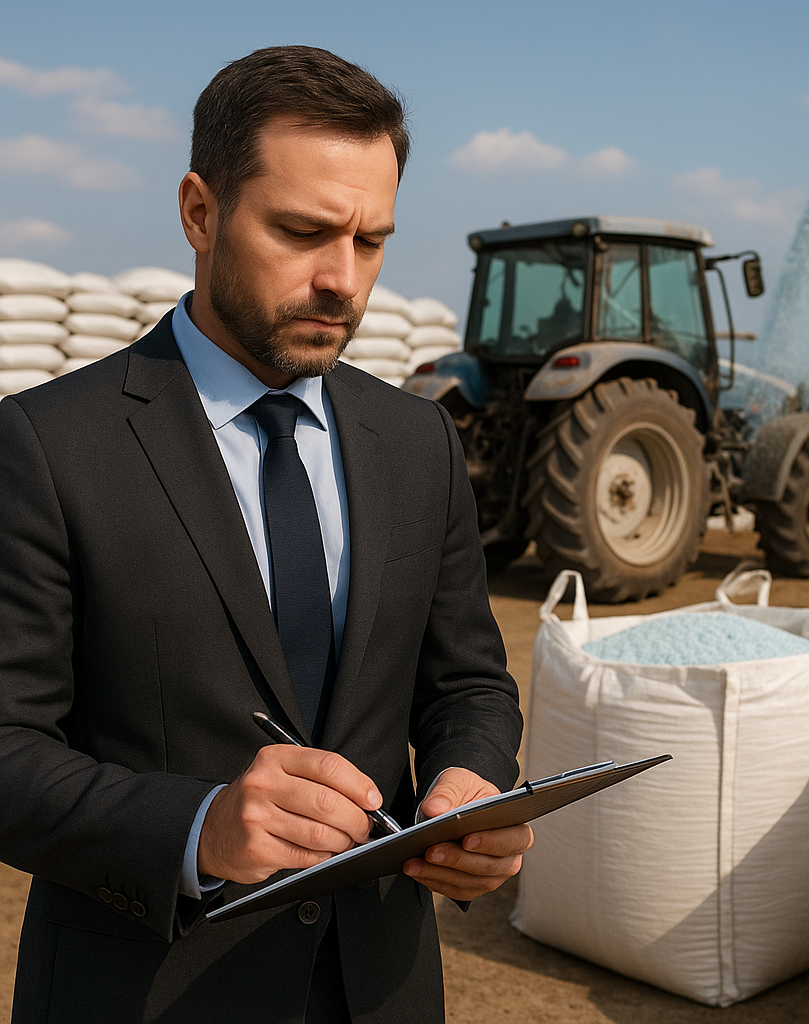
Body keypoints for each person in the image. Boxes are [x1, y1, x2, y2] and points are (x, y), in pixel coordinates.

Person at [0, 46, 531, 1024]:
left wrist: (471, 784)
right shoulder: (46, 445)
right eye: (302, 231)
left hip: (380, 989)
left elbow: (468, 685)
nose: (343, 278)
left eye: (371, 240)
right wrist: (198, 825)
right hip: (146, 993)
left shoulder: (419, 442)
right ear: (199, 211)